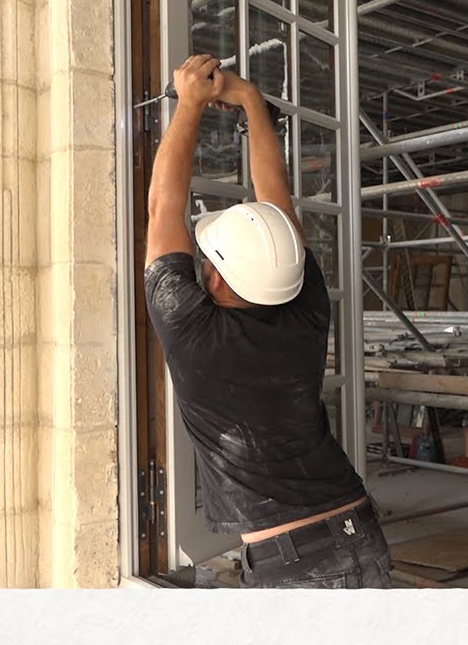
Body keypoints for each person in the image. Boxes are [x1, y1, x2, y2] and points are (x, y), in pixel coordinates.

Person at [143, 54, 392, 589]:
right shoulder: (305, 305)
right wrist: (253, 102)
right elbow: (274, 205)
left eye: (207, 261)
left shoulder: (194, 332)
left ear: (218, 280)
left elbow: (164, 205)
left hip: (295, 564)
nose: (202, 264)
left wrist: (191, 104)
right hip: (360, 532)